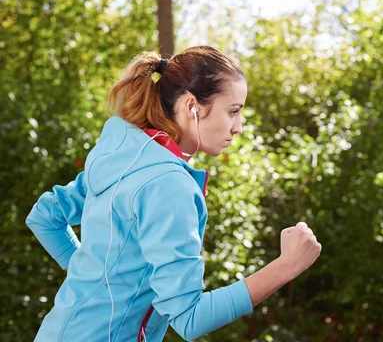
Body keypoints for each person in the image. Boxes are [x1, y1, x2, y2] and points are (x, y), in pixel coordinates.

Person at [26, 46, 322, 341]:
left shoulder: (125, 153)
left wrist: (94, 281)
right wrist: (287, 265)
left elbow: (44, 217)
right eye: (233, 111)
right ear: (192, 105)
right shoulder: (168, 183)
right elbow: (189, 318)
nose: (238, 127)